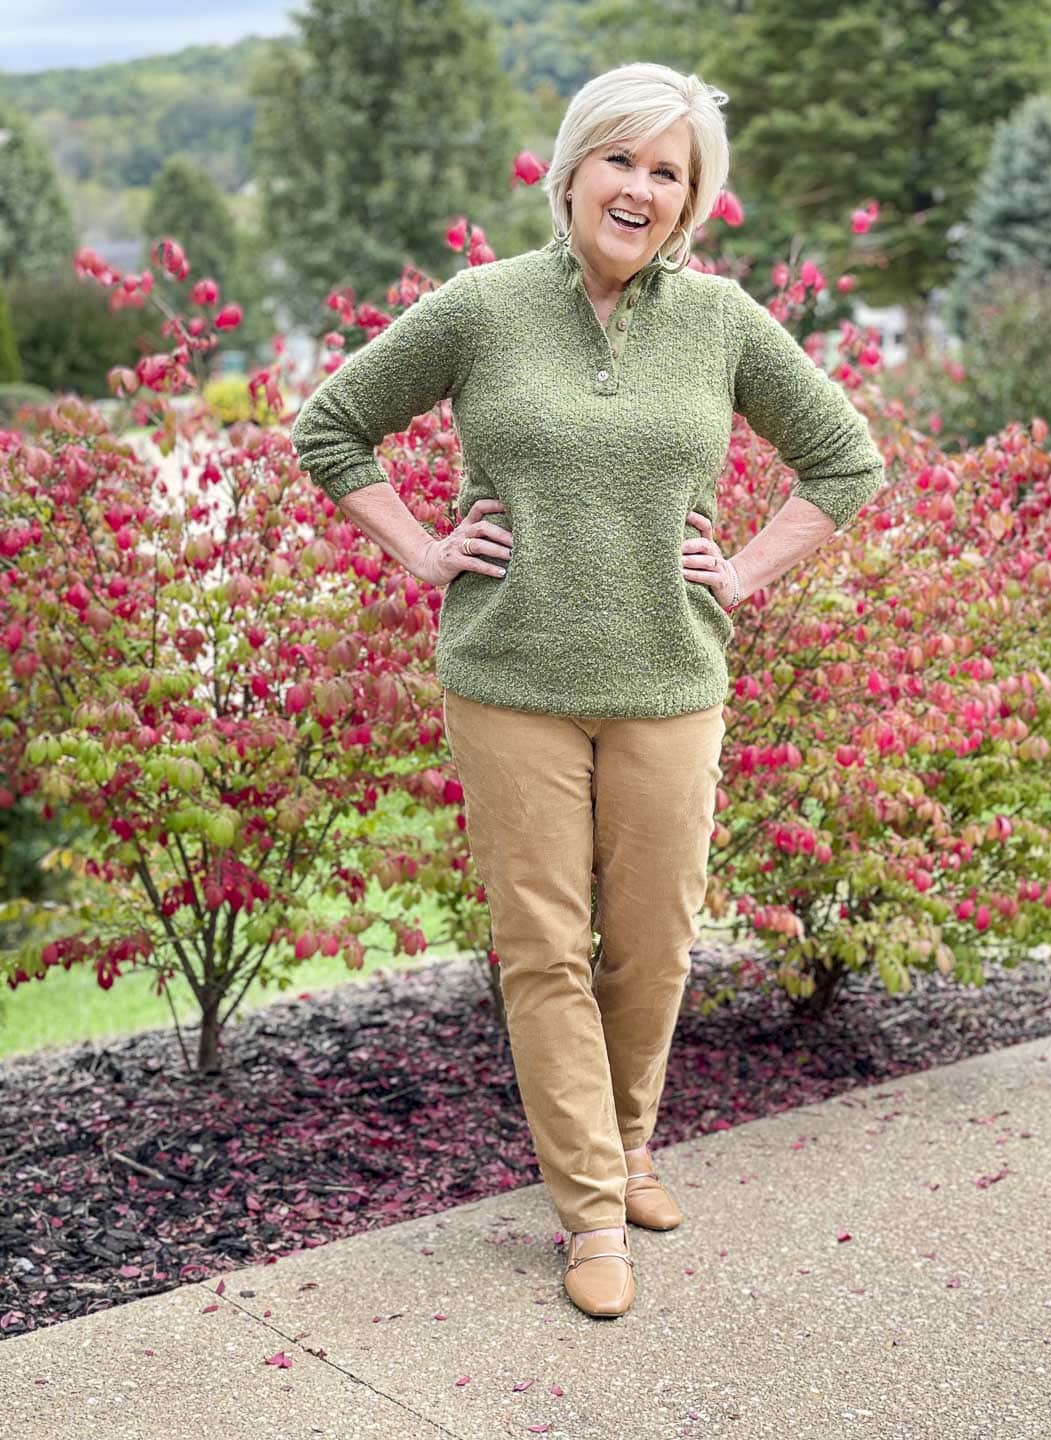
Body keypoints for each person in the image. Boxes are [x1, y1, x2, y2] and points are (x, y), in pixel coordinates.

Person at [290, 61, 886, 1320]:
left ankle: (628, 1143)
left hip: (672, 675)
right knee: (545, 947)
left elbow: (844, 458)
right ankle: (591, 1211)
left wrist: (748, 567)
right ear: (571, 170)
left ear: (690, 201)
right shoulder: (481, 308)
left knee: (658, 941)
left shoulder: (722, 323)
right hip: (511, 678)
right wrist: (420, 544)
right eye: (621, 159)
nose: (641, 187)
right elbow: (331, 427)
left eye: (668, 172)